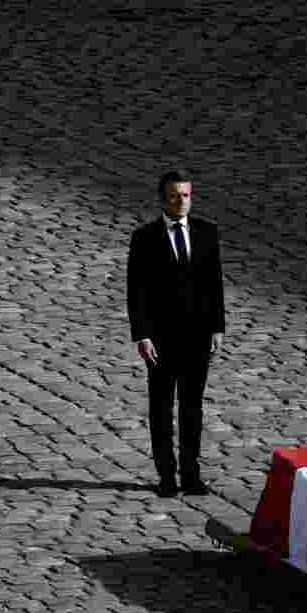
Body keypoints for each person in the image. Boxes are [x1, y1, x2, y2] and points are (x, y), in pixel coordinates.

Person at [127, 171, 225, 497]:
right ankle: (166, 476)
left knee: (192, 408)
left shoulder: (207, 233)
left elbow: (214, 285)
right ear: (162, 199)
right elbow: (137, 290)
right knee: (161, 407)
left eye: (185, 195)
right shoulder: (145, 237)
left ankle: (191, 474)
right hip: (161, 339)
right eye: (174, 196)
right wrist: (142, 335)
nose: (180, 201)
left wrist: (217, 327)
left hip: (197, 337)